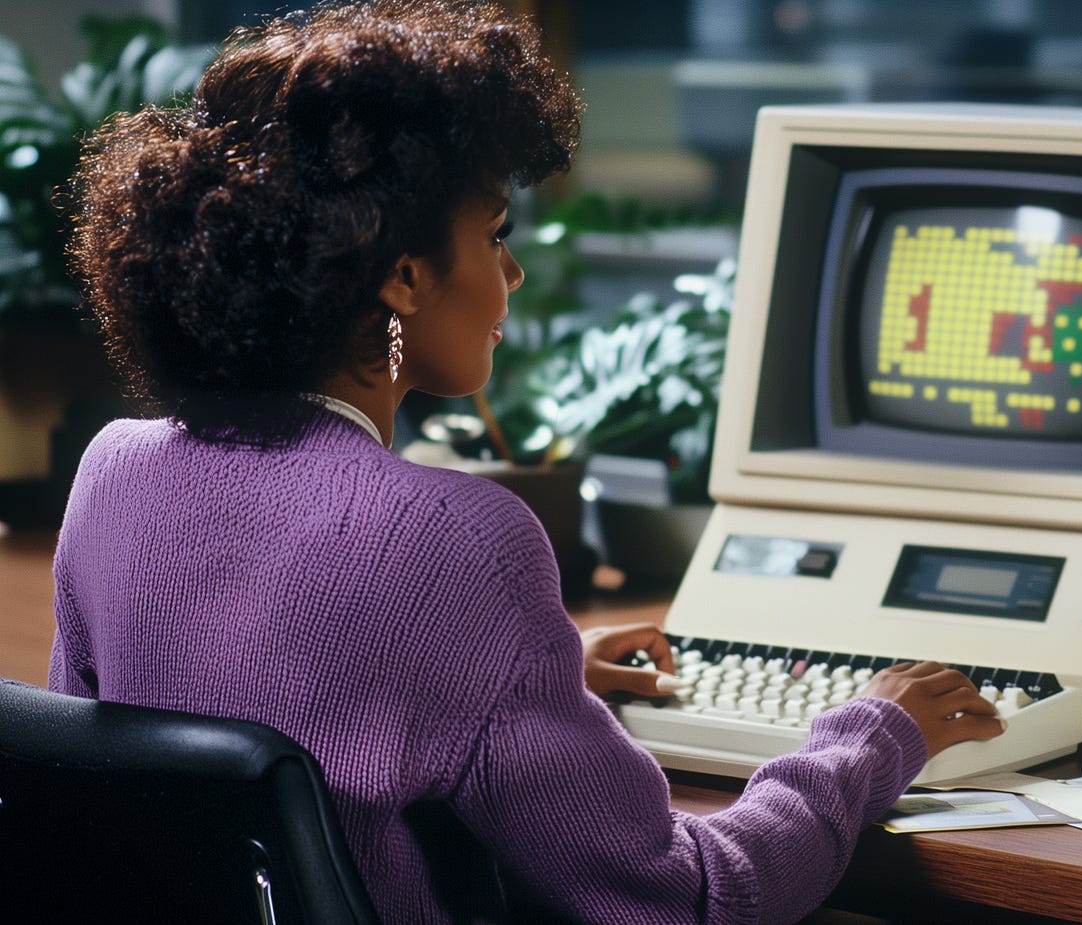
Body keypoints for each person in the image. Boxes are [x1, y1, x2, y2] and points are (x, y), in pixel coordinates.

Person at [51, 2, 1006, 922]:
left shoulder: (114, 473)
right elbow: (697, 898)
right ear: (405, 274)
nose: (510, 274)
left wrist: (531, 674)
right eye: (495, 233)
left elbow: (128, 779)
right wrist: (870, 737)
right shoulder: (456, 543)